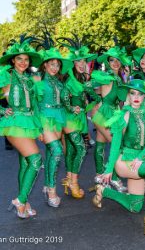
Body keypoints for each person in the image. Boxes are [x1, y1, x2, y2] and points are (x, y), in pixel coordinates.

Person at [92, 79, 145, 237]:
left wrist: (140, 157)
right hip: (124, 161)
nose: (136, 97)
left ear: (144, 97)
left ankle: (104, 191)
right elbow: (115, 144)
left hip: (138, 162)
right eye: (133, 93)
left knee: (135, 206)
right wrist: (108, 170)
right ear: (127, 95)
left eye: (140, 94)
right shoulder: (124, 115)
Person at [0, 35, 43, 218]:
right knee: (36, 159)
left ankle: (24, 205)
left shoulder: (30, 79)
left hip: (30, 123)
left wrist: (40, 128)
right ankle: (20, 199)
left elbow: (35, 105)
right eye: (19, 59)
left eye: (26, 59)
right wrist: (2, 111)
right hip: (14, 123)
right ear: (13, 60)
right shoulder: (6, 75)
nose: (23, 62)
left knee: (25, 163)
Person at [35, 36, 75, 206]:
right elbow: (34, 105)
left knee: (52, 153)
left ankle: (46, 185)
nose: (55, 67)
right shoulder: (38, 81)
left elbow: (66, 104)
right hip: (44, 117)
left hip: (59, 118)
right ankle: (52, 190)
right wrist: (37, 129)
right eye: (51, 64)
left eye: (57, 64)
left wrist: (74, 108)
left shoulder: (60, 84)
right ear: (45, 65)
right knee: (58, 150)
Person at [58, 35, 98, 198]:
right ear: (73, 63)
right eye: (78, 61)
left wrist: (87, 105)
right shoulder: (69, 78)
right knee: (81, 148)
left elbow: (90, 98)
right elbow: (63, 95)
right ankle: (74, 182)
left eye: (84, 61)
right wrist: (70, 106)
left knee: (72, 151)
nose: (82, 64)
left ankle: (68, 179)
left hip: (79, 118)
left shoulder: (82, 77)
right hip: (69, 118)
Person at [90, 45, 131, 192]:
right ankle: (113, 177)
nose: (114, 63)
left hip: (113, 114)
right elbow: (88, 86)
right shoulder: (106, 76)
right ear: (107, 62)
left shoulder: (119, 77)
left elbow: (123, 97)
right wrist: (97, 100)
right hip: (104, 115)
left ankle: (99, 174)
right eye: (111, 60)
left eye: (117, 60)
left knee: (100, 143)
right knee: (117, 145)